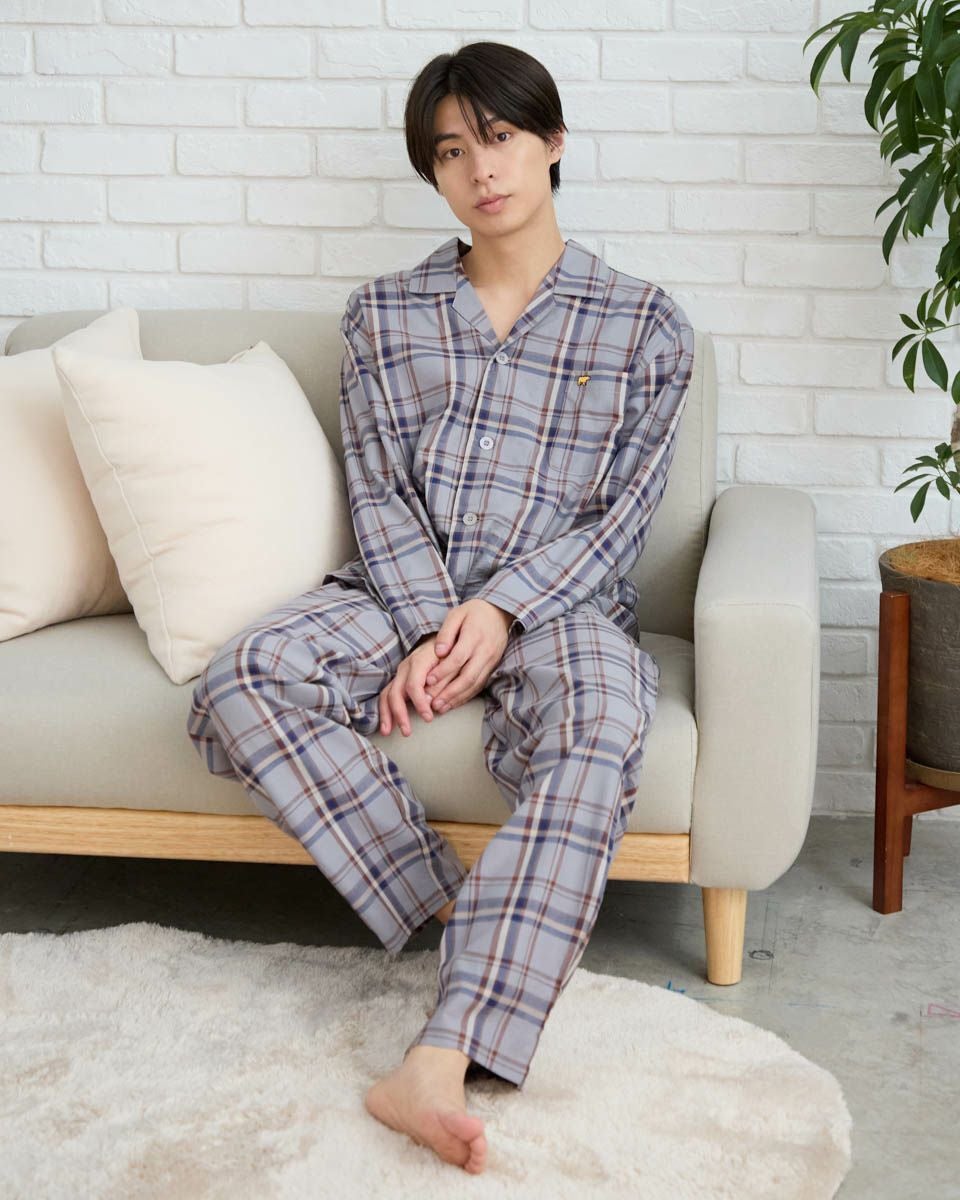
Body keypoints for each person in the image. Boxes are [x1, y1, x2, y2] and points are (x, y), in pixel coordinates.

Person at [187, 40, 695, 1176]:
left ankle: (439, 1056)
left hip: (562, 609)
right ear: (434, 174)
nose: (481, 169)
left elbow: (621, 519)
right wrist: (430, 623)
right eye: (452, 152)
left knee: (607, 719)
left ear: (553, 142)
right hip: (398, 592)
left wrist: (502, 612)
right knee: (243, 678)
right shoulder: (384, 313)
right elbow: (377, 489)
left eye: (500, 138)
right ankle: (464, 913)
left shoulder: (644, 325)